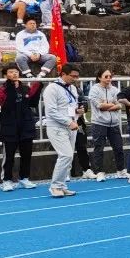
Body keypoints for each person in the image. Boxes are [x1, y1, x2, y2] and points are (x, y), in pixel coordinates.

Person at [0, 65, 40, 191]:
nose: (14, 74)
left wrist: (38, 85)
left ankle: (24, 178)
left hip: (25, 126)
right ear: (5, 75)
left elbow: (33, 102)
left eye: (16, 72)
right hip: (10, 127)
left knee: (26, 154)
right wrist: (11, 87)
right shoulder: (2, 90)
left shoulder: (25, 88)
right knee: (9, 156)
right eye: (11, 72)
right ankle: (7, 180)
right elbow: (3, 102)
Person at [42, 64, 83, 198]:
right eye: (73, 76)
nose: (75, 79)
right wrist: (68, 121)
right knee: (66, 155)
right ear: (63, 74)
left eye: (77, 76)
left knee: (68, 157)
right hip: (57, 126)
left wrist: (77, 113)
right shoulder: (51, 88)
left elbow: (71, 106)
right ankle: (55, 186)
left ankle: (62, 185)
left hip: (72, 125)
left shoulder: (72, 88)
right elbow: (51, 111)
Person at [89, 69, 127, 182]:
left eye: (110, 76)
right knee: (99, 148)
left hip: (114, 123)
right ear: (99, 77)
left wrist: (107, 105)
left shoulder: (115, 89)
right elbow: (98, 106)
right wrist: (112, 105)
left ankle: (121, 170)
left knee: (118, 147)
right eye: (106, 76)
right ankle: (99, 172)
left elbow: (120, 105)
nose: (109, 78)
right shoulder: (94, 89)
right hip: (99, 123)